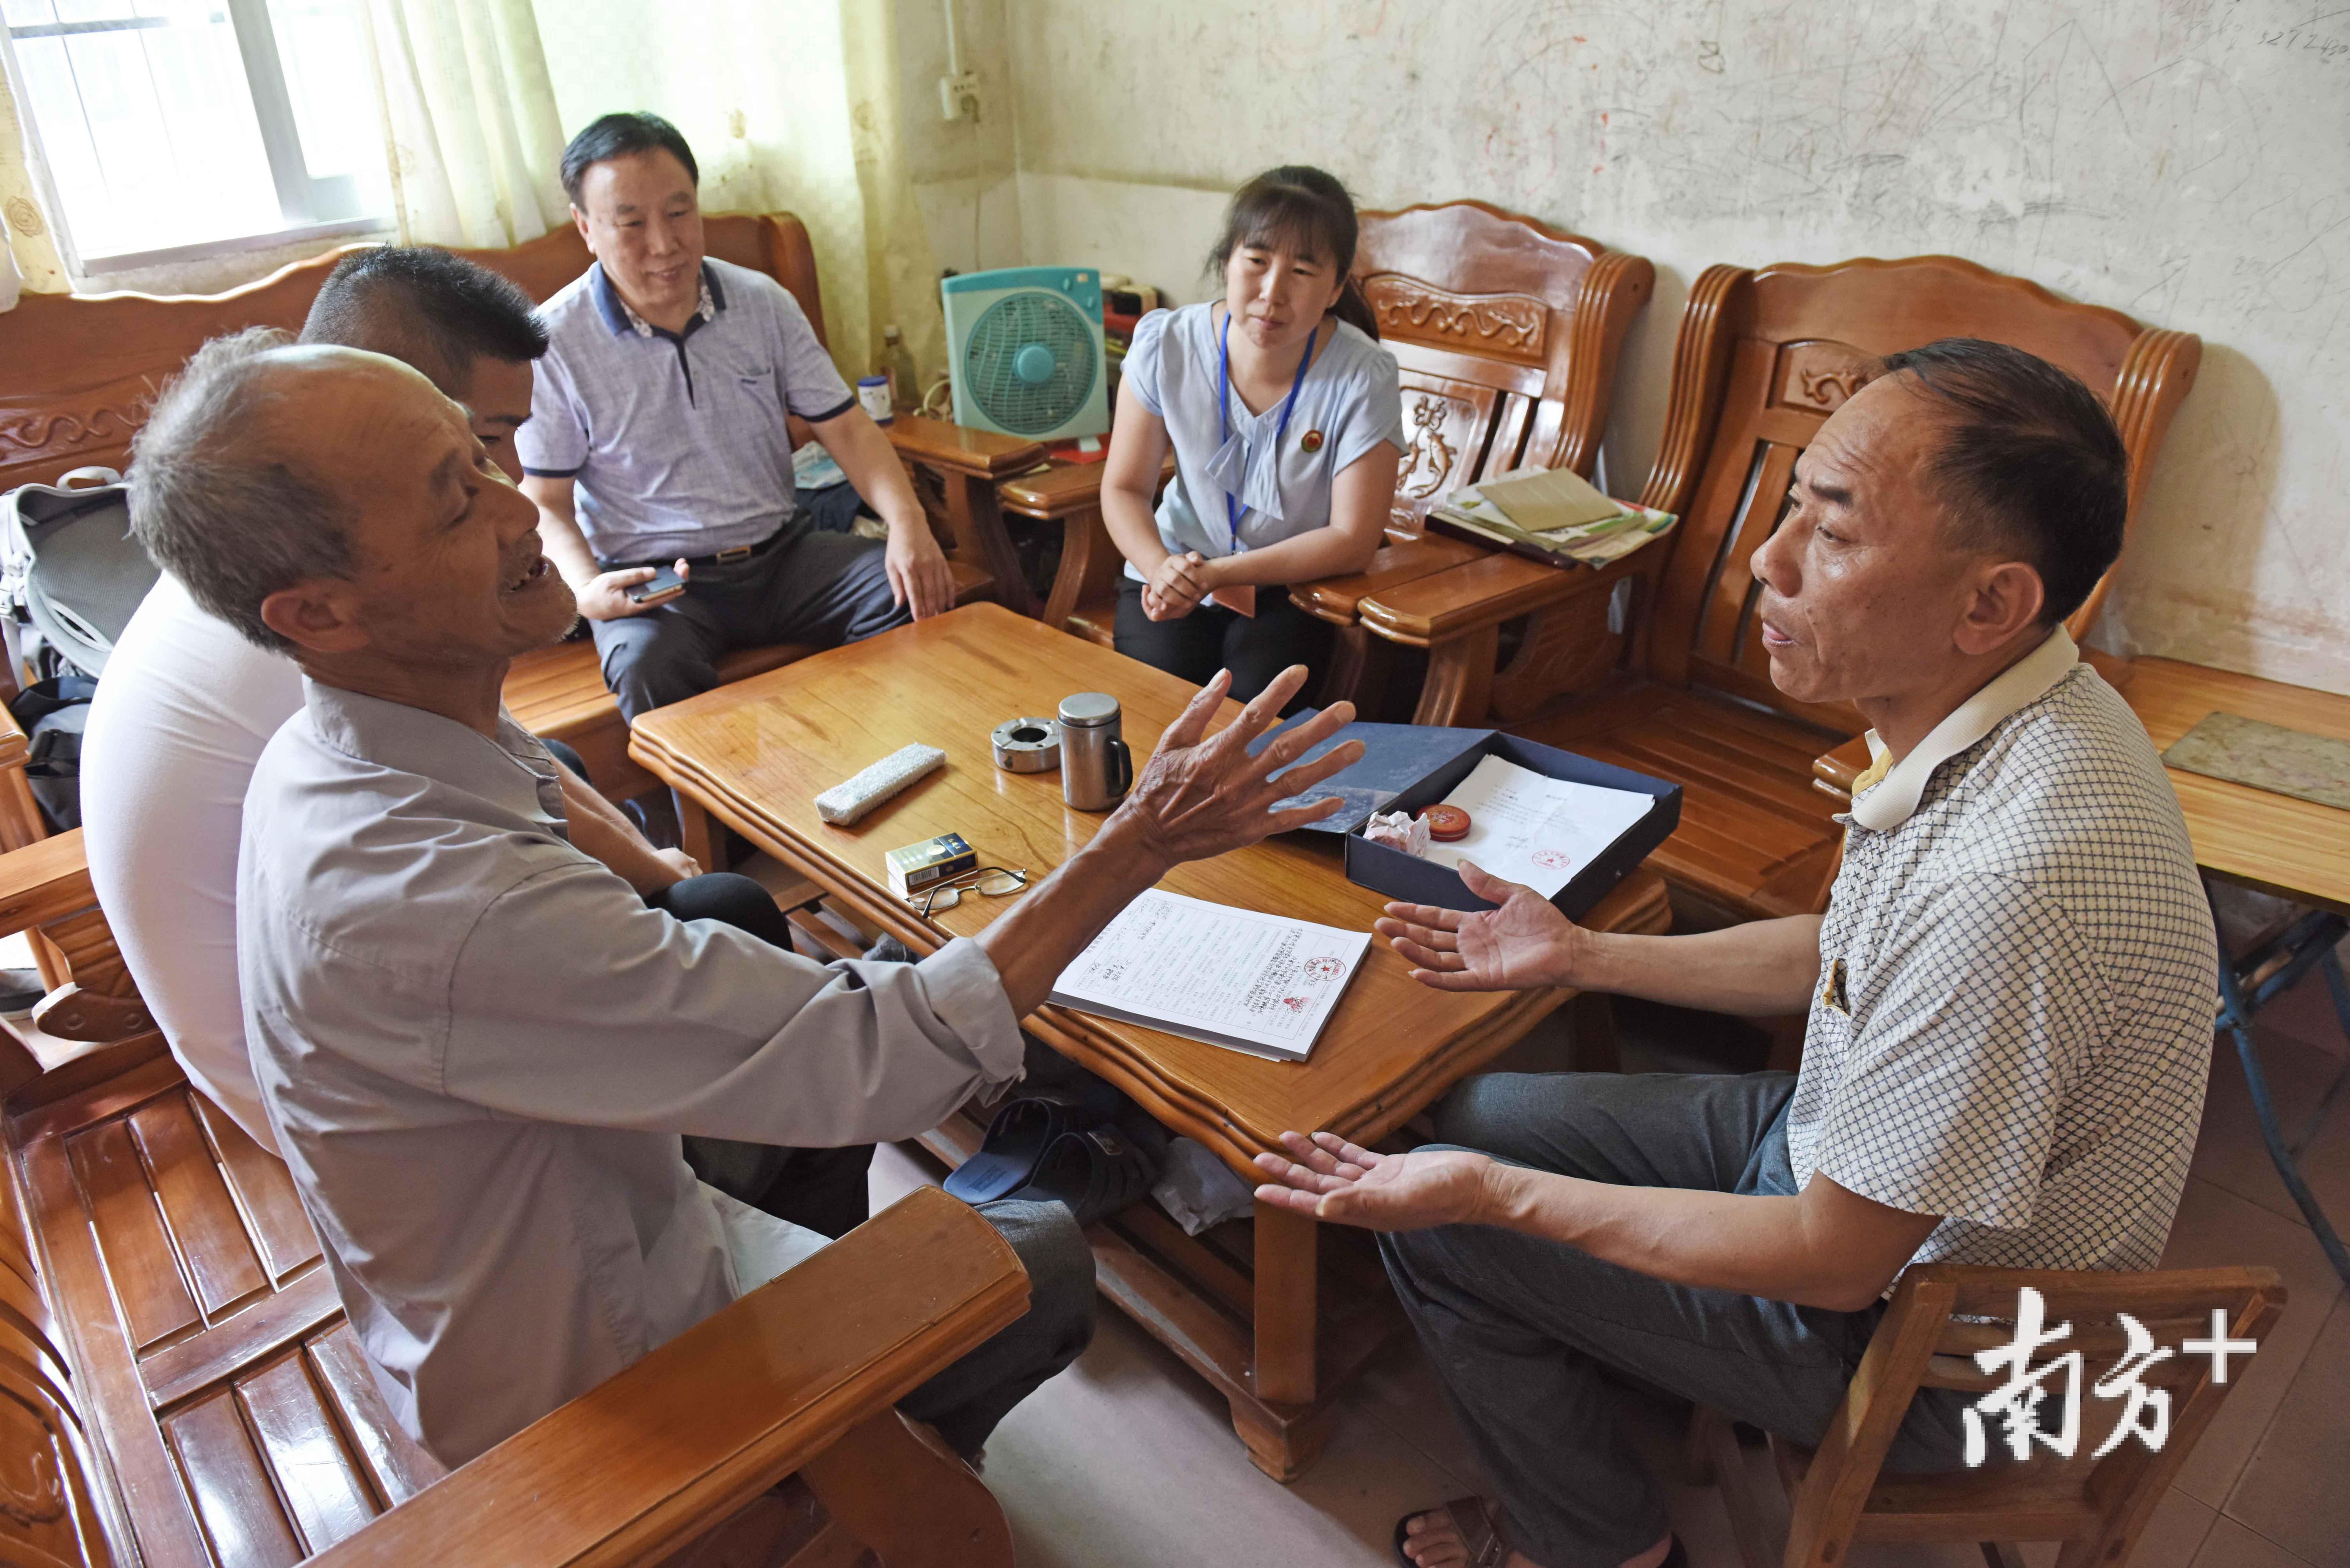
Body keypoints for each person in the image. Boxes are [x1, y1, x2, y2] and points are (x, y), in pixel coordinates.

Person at [122, 330, 1365, 1466]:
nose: (521, 511)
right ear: (318, 612)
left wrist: (681, 888)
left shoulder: (345, 732)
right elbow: (877, 1058)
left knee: (726, 912)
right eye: (459, 501)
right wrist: (1143, 837)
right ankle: (857, 1494)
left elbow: (547, 798)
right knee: (1034, 1260)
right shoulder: (439, 905)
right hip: (591, 1379)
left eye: (489, 454)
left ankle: (862, 1340)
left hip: (573, 1212)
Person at [1254, 340, 2218, 1568]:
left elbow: (1831, 1261)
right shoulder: (2024, 708)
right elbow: (1855, 946)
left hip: (1928, 1349)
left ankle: (1604, 1544)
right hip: (1840, 1160)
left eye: (1833, 531)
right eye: (1791, 505)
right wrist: (1581, 959)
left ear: (1991, 603)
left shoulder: (2014, 881)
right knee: (1478, 1107)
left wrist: (1493, 1199)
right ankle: (1608, 1390)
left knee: (1440, 1216)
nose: (1766, 559)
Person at [80, 247, 555, 1150]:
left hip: (306, 1028)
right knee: (721, 916)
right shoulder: (318, 618)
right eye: (477, 454)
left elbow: (506, 747)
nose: (519, 489)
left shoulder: (266, 559)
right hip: (357, 1108)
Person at [517, 111, 951, 723]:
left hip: (784, 556)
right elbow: (545, 500)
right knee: (646, 665)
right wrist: (587, 590)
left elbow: (848, 428)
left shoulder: (760, 303)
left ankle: (878, 769)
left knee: (914, 596)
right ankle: (719, 821)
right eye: (631, 223)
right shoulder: (554, 341)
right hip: (657, 581)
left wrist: (908, 523)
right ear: (586, 228)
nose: (664, 244)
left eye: (678, 212)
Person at [1099, 166, 1404, 711]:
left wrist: (1217, 574)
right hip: (1167, 572)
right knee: (1155, 706)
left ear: (1336, 288)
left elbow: (1354, 538)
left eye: (1303, 271)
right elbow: (1123, 488)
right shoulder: (1165, 344)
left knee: (1248, 715)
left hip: (1294, 589)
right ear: (1227, 262)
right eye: (1257, 262)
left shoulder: (1363, 374)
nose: (1272, 293)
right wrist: (1160, 570)